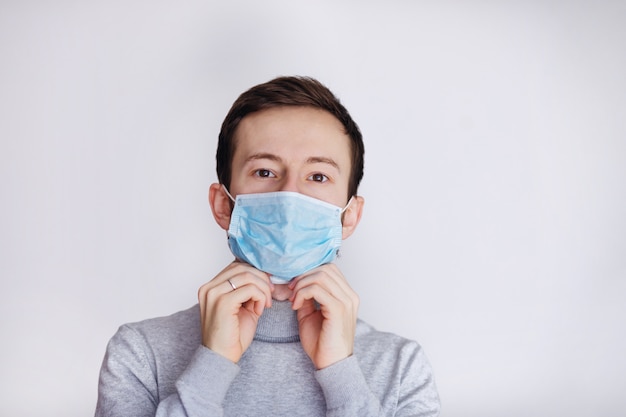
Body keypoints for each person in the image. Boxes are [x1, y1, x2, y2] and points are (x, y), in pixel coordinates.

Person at [95, 76, 440, 416]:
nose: (290, 196)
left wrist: (342, 378)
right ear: (223, 205)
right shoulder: (140, 355)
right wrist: (212, 366)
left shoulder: (401, 371)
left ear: (349, 216)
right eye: (264, 172)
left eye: (318, 176)